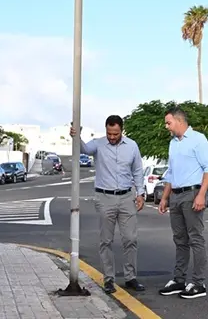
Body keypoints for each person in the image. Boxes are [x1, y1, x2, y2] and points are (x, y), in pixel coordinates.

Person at [70, 115, 146, 294]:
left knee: (130, 239)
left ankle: (130, 277)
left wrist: (140, 193)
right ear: (105, 130)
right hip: (105, 197)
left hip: (127, 197)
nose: (112, 137)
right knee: (106, 240)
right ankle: (109, 279)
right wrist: (76, 136)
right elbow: (84, 149)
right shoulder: (98, 144)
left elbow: (137, 171)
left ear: (122, 131)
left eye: (116, 134)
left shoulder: (132, 146)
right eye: (109, 133)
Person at [157, 107, 208, 299]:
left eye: (168, 122)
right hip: (175, 195)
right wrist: (165, 197)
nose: (166, 127)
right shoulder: (173, 143)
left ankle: (199, 283)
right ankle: (179, 279)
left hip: (192, 193)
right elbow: (171, 173)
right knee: (180, 240)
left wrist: (201, 194)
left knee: (195, 238)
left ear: (179, 121)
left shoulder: (198, 139)